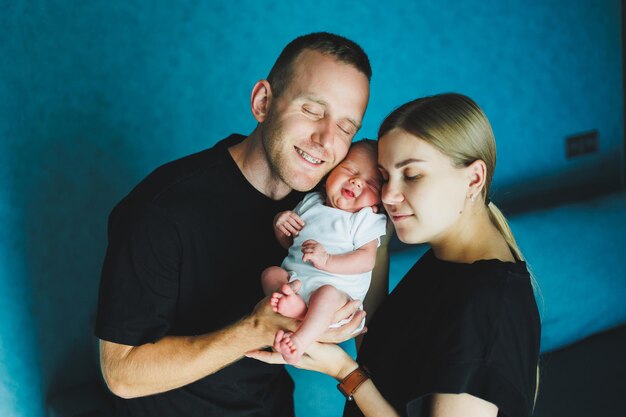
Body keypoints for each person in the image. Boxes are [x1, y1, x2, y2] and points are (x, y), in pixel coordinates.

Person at [94, 32, 385, 417]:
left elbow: (370, 325)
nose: (325, 140)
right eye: (313, 110)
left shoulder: (334, 203)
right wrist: (256, 329)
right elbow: (121, 374)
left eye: (346, 128)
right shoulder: (161, 208)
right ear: (263, 102)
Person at [247, 93, 541, 417]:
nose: (388, 194)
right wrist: (377, 241)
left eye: (411, 175)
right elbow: (381, 351)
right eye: (385, 177)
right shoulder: (445, 261)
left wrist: (345, 373)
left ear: (473, 179)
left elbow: (365, 372)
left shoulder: (488, 304)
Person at [261, 140, 387, 364]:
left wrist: (327, 260)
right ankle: (296, 308)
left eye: (371, 184)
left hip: (339, 303)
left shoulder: (366, 219)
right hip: (298, 286)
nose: (357, 182)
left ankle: (299, 341)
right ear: (330, 172)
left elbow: (366, 260)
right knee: (270, 274)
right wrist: (280, 225)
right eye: (349, 170)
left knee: (327, 293)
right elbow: (291, 245)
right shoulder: (311, 202)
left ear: (378, 201)